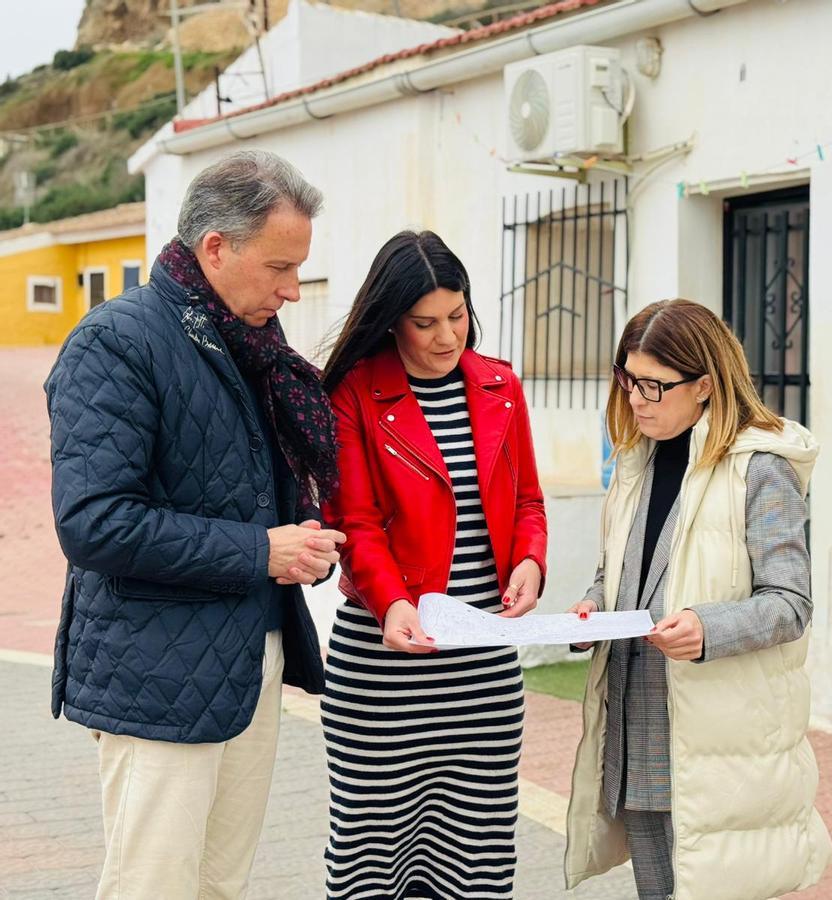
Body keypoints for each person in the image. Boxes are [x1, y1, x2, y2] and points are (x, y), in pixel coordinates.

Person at [44, 149, 346, 899]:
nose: (292, 290)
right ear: (216, 247)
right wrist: (261, 550)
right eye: (279, 267)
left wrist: (301, 535)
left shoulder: (253, 348)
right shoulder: (116, 342)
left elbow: (253, 488)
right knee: (154, 884)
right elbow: (93, 522)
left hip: (249, 658)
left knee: (219, 885)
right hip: (156, 674)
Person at [563, 299, 832, 900]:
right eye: (629, 381)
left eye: (655, 386)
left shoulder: (761, 468)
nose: (637, 400)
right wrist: (590, 607)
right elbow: (619, 570)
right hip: (634, 725)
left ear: (705, 384)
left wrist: (707, 629)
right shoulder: (638, 457)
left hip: (714, 739)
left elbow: (790, 601)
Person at [320, 230, 548, 899]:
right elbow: (353, 524)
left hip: (483, 671)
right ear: (391, 320)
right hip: (384, 670)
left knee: (478, 860)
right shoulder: (355, 393)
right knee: (370, 860)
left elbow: (528, 499)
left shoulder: (501, 385)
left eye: (457, 314)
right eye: (426, 323)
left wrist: (530, 559)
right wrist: (393, 603)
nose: (448, 336)